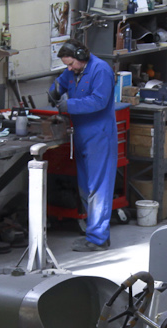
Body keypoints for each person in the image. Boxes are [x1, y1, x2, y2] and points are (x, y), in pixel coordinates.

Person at [47, 41, 117, 252]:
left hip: (99, 136)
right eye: (66, 65)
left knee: (99, 189)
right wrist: (55, 90)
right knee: (86, 188)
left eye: (71, 64)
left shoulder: (100, 70)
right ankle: (94, 233)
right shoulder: (73, 71)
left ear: (81, 56)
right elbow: (62, 82)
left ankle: (98, 239)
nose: (69, 68)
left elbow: (99, 101)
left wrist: (70, 105)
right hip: (81, 136)